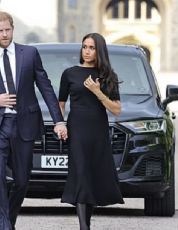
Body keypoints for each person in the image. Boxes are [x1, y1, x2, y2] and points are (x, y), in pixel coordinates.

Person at [0, 11, 67, 230]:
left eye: (8, 30)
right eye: (0, 31)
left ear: (13, 29)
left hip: (24, 124)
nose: (5, 35)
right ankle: (3, 227)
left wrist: (59, 120)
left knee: (22, 181)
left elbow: (45, 87)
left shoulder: (29, 54)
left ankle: (8, 221)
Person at [59, 33, 124, 230]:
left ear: (99, 51)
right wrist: (60, 124)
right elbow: (60, 103)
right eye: (84, 46)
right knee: (80, 173)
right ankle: (84, 227)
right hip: (76, 128)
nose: (87, 51)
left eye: (92, 48)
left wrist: (97, 91)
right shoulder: (69, 73)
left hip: (98, 130)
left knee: (91, 175)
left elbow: (116, 110)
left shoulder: (108, 76)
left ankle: (86, 225)